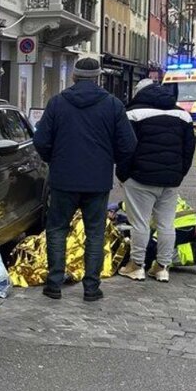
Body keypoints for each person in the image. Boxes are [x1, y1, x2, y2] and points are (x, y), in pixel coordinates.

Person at [33, 57, 137, 302]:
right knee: (95, 233)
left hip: (63, 179)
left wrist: (54, 159)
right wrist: (108, 160)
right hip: (97, 181)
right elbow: (129, 144)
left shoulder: (58, 103)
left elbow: (41, 141)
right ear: (98, 77)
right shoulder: (112, 105)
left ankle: (54, 284)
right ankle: (91, 288)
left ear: (74, 77)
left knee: (57, 229)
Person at [115, 79, 195, 283]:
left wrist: (124, 174)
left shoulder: (132, 114)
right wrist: (179, 174)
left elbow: (124, 148)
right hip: (170, 179)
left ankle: (137, 265)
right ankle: (162, 267)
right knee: (166, 224)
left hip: (140, 178)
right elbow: (188, 150)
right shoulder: (182, 115)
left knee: (139, 223)